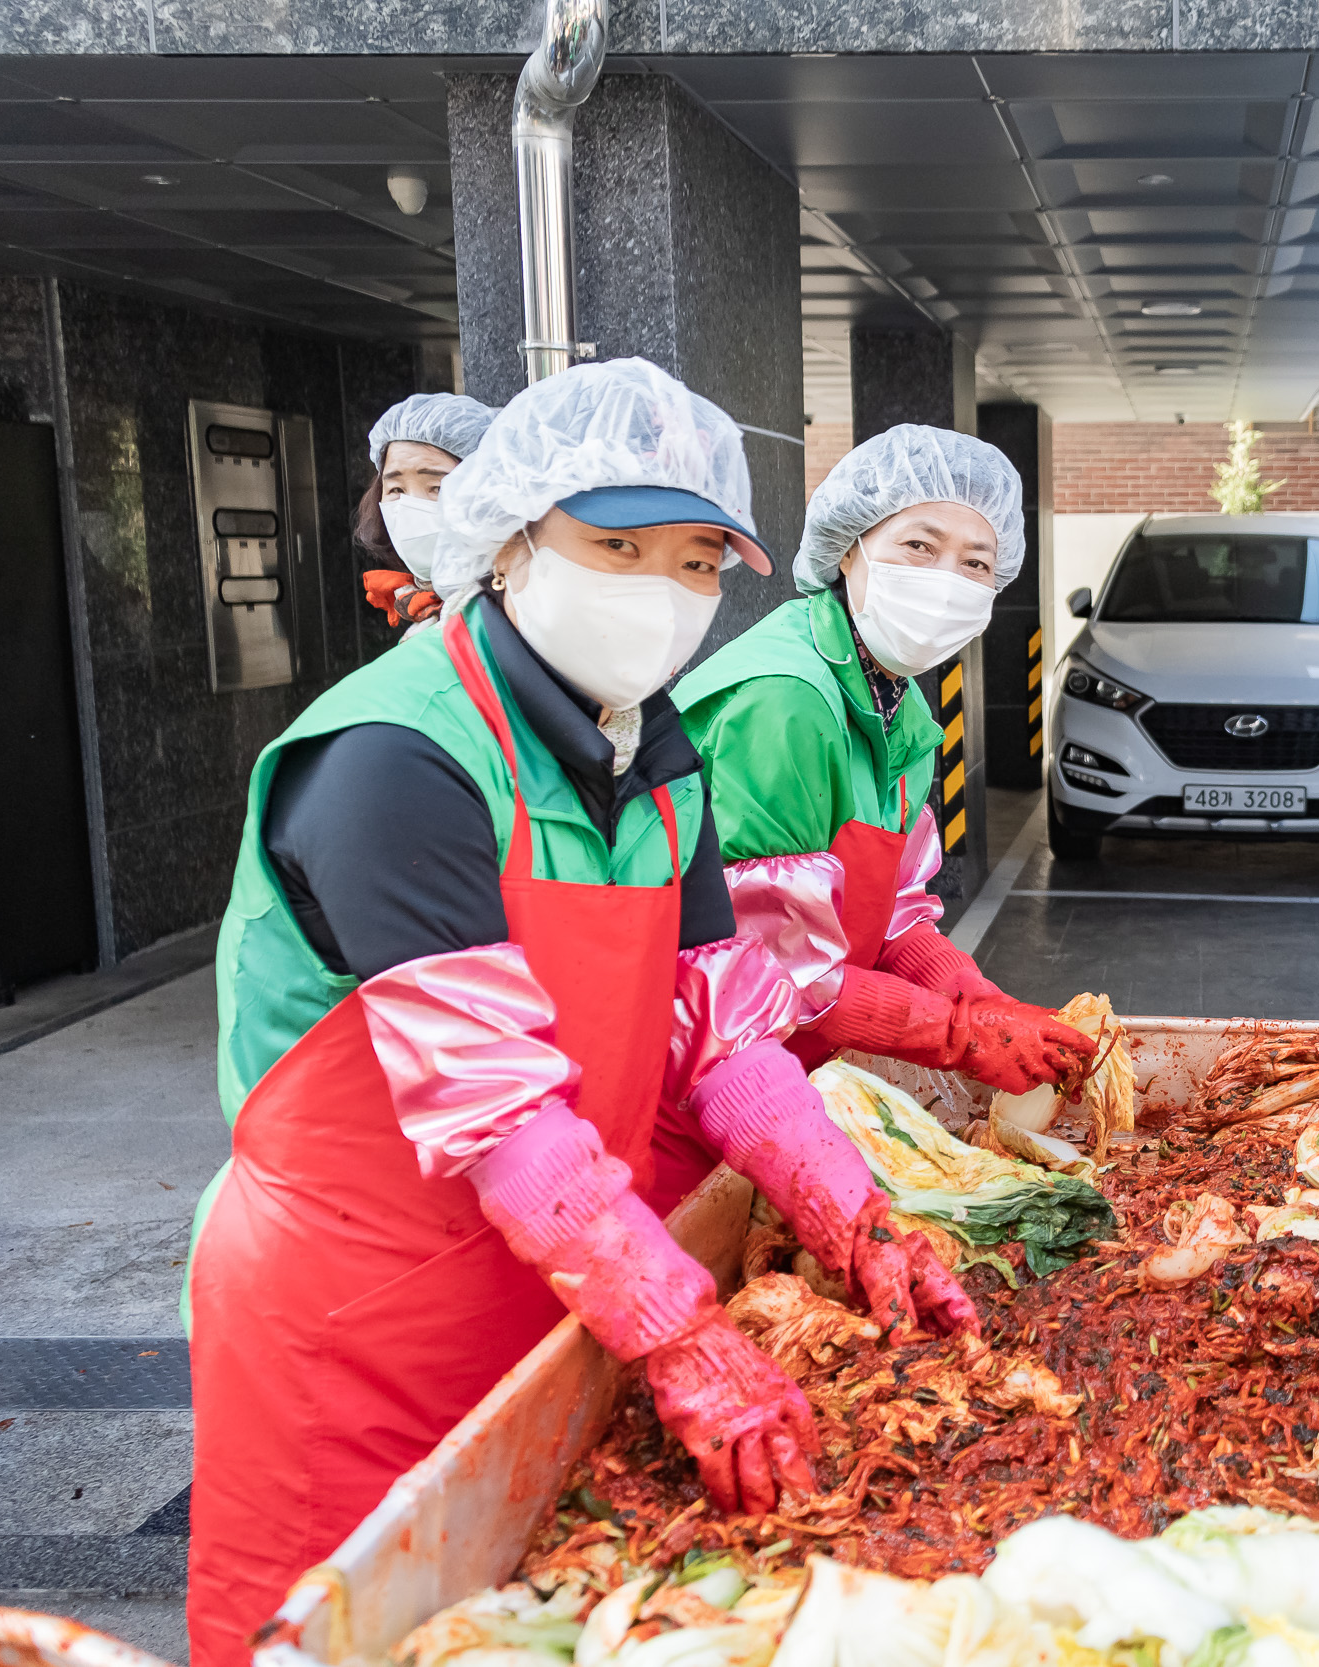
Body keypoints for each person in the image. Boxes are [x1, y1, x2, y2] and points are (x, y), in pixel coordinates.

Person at [185, 361, 974, 1667]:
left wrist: (853, 1212)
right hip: (358, 1314)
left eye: (697, 560)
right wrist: (683, 1330)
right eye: (615, 546)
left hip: (555, 1282)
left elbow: (724, 1032)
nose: (659, 590)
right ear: (507, 546)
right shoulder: (396, 758)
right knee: (346, 1630)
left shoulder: (653, 759)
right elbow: (496, 1111)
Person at [676, 424, 1095, 1092]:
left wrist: (978, 998)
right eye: (919, 546)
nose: (947, 580)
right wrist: (957, 1033)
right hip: (707, 1081)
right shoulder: (787, 700)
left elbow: (893, 909)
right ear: (849, 550)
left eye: (976, 563)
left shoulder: (899, 712)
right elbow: (772, 966)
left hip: (793, 1062)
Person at [355, 391, 498, 627]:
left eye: (437, 488)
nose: (412, 507)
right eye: (396, 490)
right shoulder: (418, 610)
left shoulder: (515, 611)